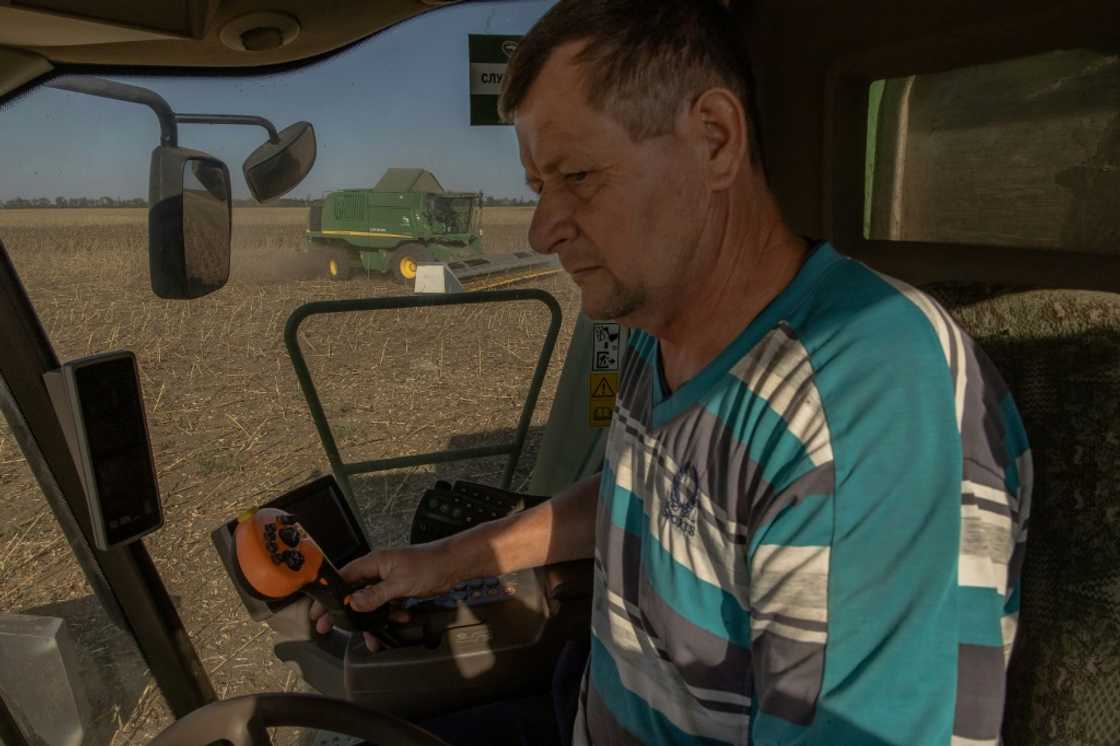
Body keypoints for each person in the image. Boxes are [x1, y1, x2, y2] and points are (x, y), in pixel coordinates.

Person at [312, 1, 1033, 743]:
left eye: (578, 175)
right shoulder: (662, 332)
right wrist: (452, 560)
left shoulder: (861, 400)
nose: (541, 228)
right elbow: (643, 493)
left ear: (714, 140)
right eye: (538, 187)